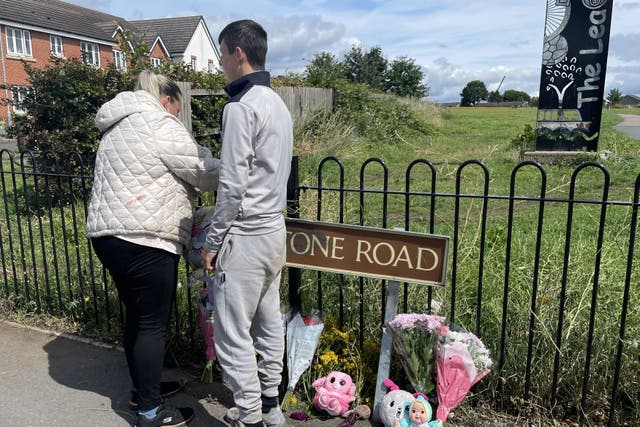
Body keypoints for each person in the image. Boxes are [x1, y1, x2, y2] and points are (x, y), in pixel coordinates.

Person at [86, 69, 219, 427]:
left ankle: (143, 390)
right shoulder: (159, 124)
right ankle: (149, 412)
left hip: (108, 237)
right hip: (144, 238)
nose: (177, 116)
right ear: (166, 100)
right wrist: (240, 170)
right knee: (151, 325)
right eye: (177, 109)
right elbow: (203, 171)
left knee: (137, 317)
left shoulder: (117, 125)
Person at [201, 19, 293, 427]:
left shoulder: (240, 108)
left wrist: (212, 242)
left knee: (232, 333)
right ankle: (271, 404)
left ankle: (251, 417)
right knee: (269, 319)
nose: (220, 62)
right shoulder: (278, 104)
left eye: (221, 53)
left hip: (246, 235)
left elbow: (232, 187)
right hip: (275, 230)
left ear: (238, 52)